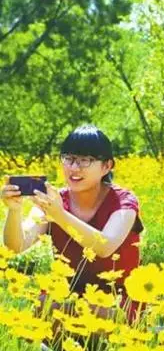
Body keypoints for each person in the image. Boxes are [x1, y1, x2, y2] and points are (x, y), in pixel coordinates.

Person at [2, 124, 144, 323]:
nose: (74, 167)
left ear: (107, 166)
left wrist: (59, 214)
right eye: (68, 158)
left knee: (93, 314)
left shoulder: (124, 202)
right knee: (42, 306)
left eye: (85, 160)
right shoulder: (54, 200)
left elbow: (104, 246)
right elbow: (16, 246)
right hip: (66, 294)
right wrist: (14, 210)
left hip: (116, 298)